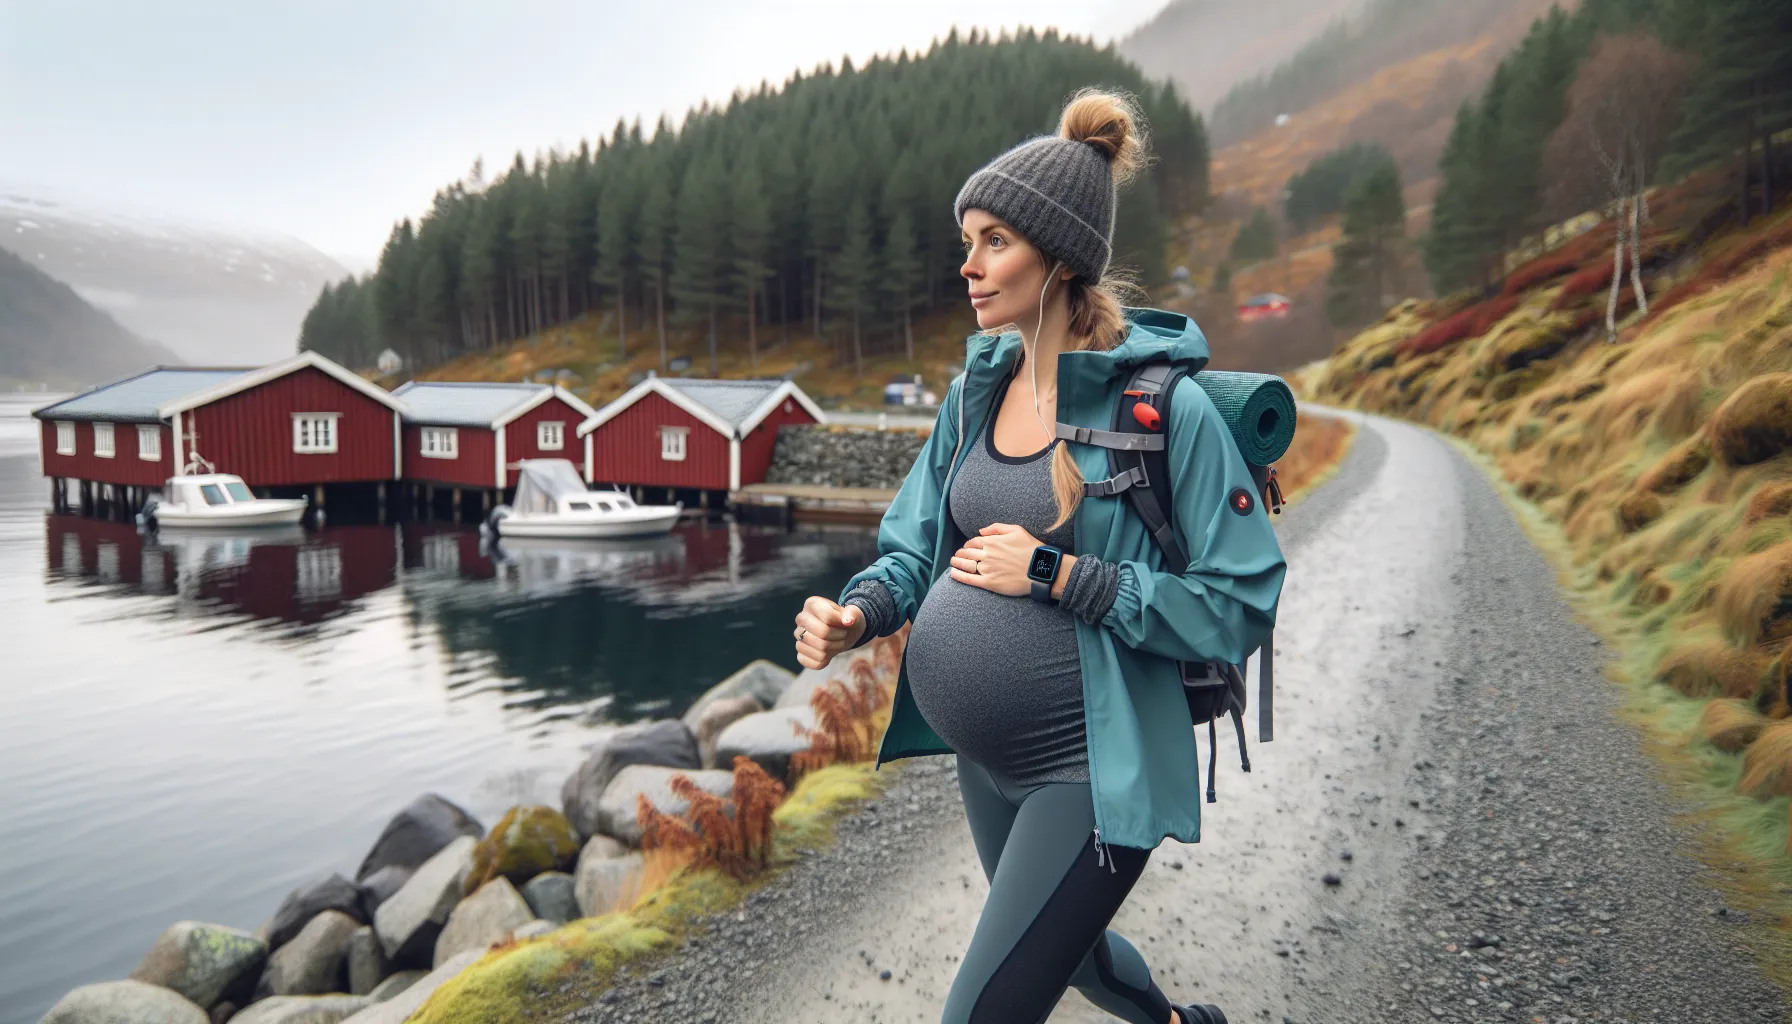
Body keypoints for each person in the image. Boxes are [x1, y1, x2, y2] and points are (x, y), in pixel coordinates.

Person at [792, 89, 1288, 1024]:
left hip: (1088, 768)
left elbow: (1241, 597)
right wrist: (859, 612)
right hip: (987, 762)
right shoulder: (978, 392)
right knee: (1077, 963)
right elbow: (914, 546)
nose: (968, 267)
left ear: (1057, 258)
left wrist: (1060, 574)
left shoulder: (1162, 413)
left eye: (993, 242)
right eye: (967, 241)